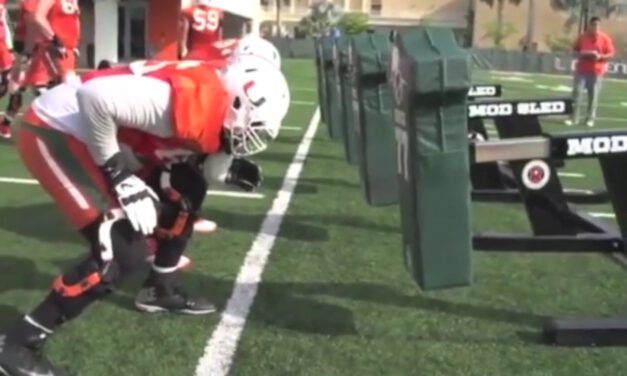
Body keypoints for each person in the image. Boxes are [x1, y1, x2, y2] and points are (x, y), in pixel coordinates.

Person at [0, 56, 290, 375]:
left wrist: (227, 171)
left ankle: (160, 289)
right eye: (254, 124)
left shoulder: (216, 107)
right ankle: (19, 344)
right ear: (236, 99)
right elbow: (94, 99)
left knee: (188, 185)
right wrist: (120, 177)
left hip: (103, 137)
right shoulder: (185, 101)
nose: (253, 136)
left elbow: (203, 161)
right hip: (56, 128)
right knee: (122, 249)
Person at [0, 0, 80, 139]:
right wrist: (28, 51)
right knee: (25, 87)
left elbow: (71, 22)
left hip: (54, 46)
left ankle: (8, 124)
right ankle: (52, 127)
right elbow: (33, 23)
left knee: (30, 87)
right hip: (35, 45)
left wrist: (72, 43)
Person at [565, 16, 615, 127]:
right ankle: (574, 118)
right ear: (589, 25)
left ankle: (590, 119)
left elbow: (611, 54)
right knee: (577, 93)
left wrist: (600, 56)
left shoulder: (605, 38)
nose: (595, 27)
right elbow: (574, 49)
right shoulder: (583, 37)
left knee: (593, 96)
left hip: (596, 71)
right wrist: (581, 54)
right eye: (593, 25)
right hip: (582, 70)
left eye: (597, 25)